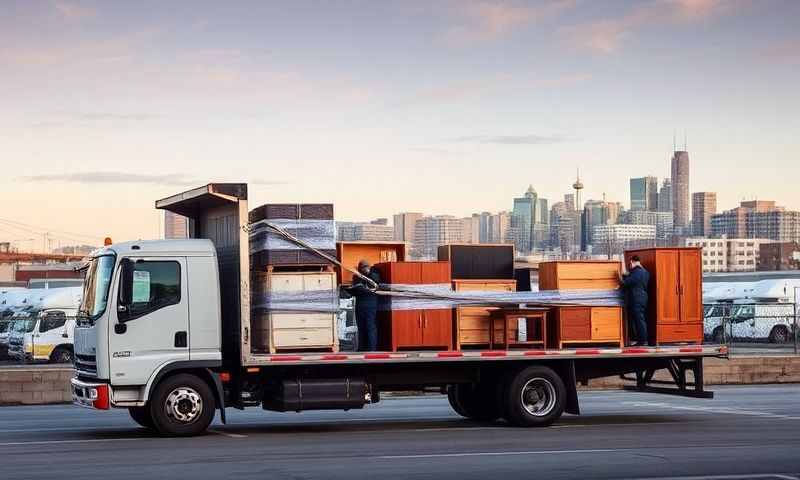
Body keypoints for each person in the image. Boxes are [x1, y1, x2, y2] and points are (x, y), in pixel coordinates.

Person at [347, 259, 381, 352]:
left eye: (365, 267)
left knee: (370, 326)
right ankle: (362, 347)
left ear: (368, 267)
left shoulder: (374, 274)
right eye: (362, 268)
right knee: (361, 327)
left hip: (370, 304)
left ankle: (372, 348)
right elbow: (355, 288)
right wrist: (351, 290)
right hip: (360, 304)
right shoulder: (357, 276)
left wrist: (369, 273)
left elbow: (376, 282)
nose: (363, 269)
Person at [619, 255, 651, 346]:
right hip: (643, 298)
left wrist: (619, 277)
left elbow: (626, 283)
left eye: (630, 264)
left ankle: (642, 341)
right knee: (640, 319)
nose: (630, 266)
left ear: (632, 262)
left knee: (638, 320)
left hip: (636, 299)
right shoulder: (645, 272)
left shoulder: (636, 272)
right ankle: (641, 340)